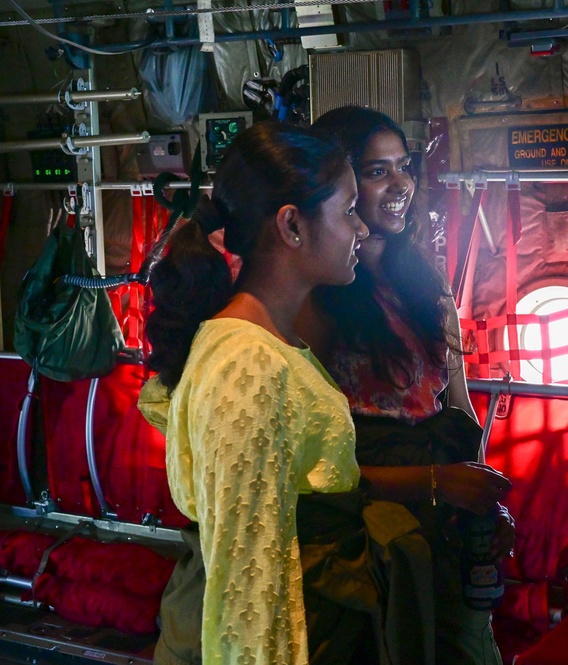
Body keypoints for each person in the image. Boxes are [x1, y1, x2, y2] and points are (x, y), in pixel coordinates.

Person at [137, 121, 369, 665]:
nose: (362, 229)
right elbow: (249, 592)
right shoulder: (250, 367)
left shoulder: (261, 343)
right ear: (292, 225)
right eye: (348, 209)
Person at [297, 106, 513, 665]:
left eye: (404, 167)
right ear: (336, 189)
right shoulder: (317, 298)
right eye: (376, 172)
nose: (400, 185)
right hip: (369, 529)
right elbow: (313, 474)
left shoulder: (422, 276)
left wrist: (484, 499)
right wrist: (437, 482)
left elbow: (458, 407)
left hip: (445, 515)